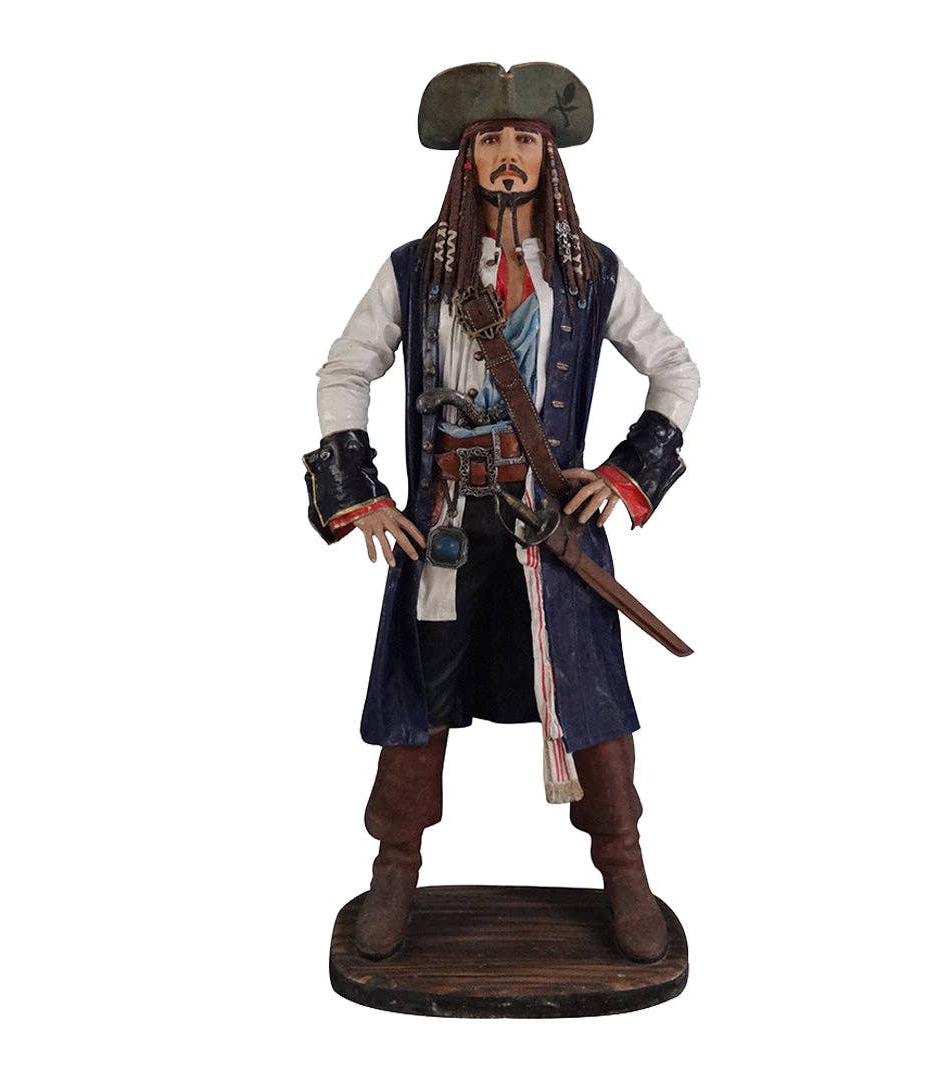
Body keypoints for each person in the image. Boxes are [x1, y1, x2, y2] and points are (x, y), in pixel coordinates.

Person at [303, 63, 699, 963]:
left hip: (553, 529)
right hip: (444, 521)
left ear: (547, 156)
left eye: (524, 139)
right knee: (419, 697)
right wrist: (360, 492)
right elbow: (346, 368)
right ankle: (396, 865)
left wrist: (626, 476)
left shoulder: (591, 273)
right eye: (492, 141)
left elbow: (676, 370)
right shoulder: (415, 271)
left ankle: (624, 867)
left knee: (592, 700)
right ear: (468, 157)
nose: (508, 156)